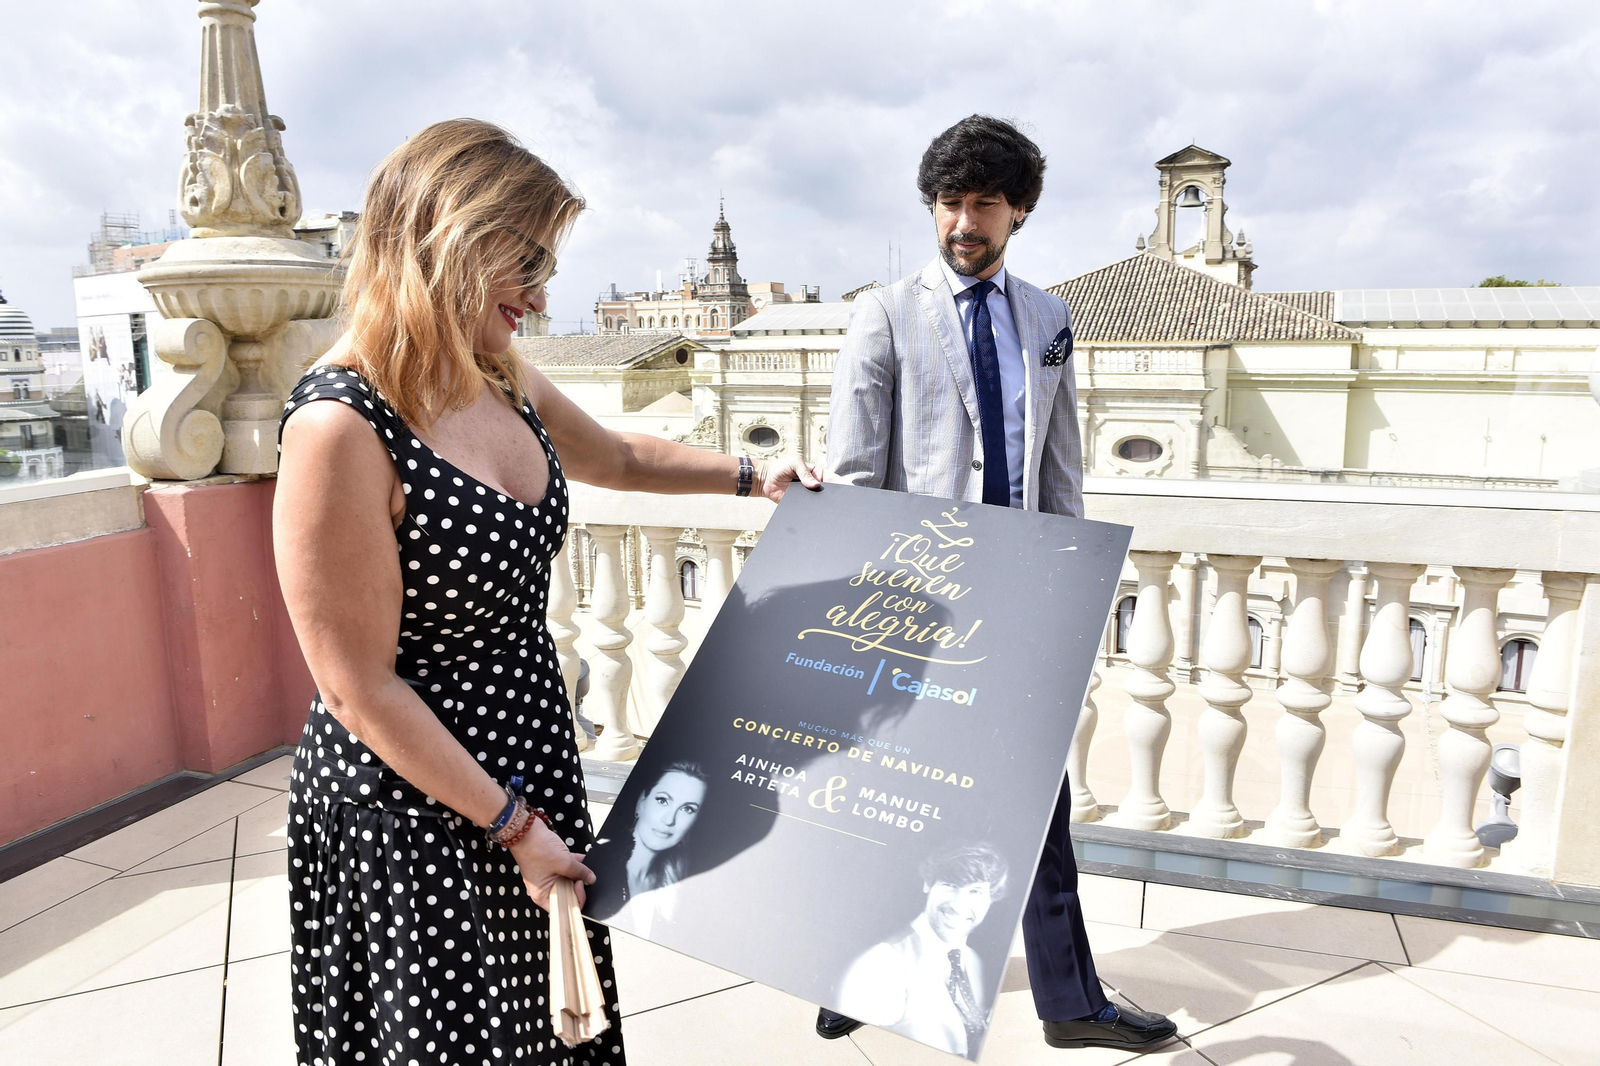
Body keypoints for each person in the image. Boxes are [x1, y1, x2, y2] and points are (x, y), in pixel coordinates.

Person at [274, 118, 820, 1066]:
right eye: (523, 261)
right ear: (447, 242)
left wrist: (752, 475)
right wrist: (514, 827)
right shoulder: (337, 425)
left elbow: (615, 454)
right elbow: (358, 689)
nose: (540, 292)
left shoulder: (496, 374)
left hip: (526, 752)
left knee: (546, 1029)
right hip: (418, 807)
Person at [820, 115, 1178, 1054]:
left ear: (1019, 211)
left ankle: (1069, 1000)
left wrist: (1073, 595)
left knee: (1035, 803)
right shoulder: (884, 313)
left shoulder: (1051, 320)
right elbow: (855, 477)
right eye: (949, 203)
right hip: (912, 602)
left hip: (1018, 601)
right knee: (891, 790)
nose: (963, 222)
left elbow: (1059, 469)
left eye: (984, 204)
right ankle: (846, 967)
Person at [836, 844, 1008, 1057]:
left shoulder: (972, 961)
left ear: (991, 898)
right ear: (928, 884)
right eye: (950, 885)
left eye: (976, 891)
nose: (959, 904)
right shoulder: (882, 963)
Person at [586, 761, 708, 937]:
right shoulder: (598, 864)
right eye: (663, 800)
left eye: (687, 809)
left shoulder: (680, 886)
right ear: (641, 802)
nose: (669, 820)